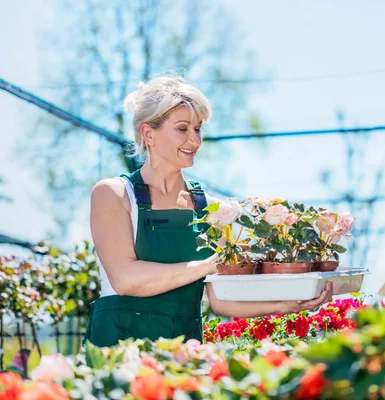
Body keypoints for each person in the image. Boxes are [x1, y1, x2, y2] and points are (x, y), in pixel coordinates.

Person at [84, 75, 333, 347]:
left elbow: (220, 299)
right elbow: (125, 279)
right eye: (182, 129)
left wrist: (288, 303)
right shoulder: (115, 194)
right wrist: (211, 264)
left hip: (183, 348)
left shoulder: (212, 209)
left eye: (198, 129)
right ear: (148, 134)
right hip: (119, 346)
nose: (195, 140)